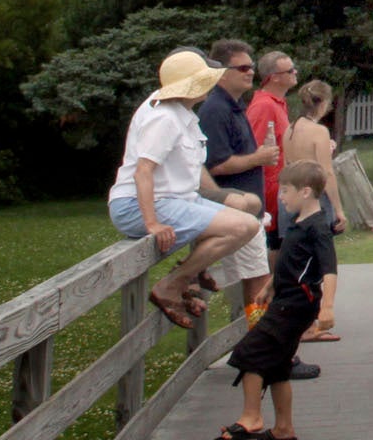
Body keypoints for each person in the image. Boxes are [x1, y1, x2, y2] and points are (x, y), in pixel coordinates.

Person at [107, 49, 264, 330]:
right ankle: (173, 284)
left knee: (247, 218)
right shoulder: (164, 118)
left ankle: (189, 276)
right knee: (242, 227)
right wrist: (152, 222)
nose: (208, 85)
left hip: (175, 200)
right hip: (141, 205)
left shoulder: (180, 112)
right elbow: (144, 171)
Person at [214, 160, 335, 440]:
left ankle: (251, 417)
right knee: (278, 365)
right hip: (284, 299)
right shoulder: (298, 223)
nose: (280, 197)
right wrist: (270, 286)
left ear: (305, 192)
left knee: (250, 351)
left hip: (297, 304)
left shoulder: (318, 228)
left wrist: (327, 307)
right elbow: (288, 263)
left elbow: (329, 269)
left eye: (285, 191)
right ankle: (283, 429)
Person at [197, 40, 277, 328]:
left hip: (249, 211)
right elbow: (216, 164)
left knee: (259, 279)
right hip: (236, 211)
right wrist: (259, 158)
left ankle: (262, 348)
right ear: (221, 72)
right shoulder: (215, 109)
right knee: (258, 283)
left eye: (251, 66)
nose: (250, 72)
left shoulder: (234, 106)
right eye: (242, 67)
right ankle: (264, 351)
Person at [284, 80, 346, 342]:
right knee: (319, 261)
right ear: (322, 103)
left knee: (299, 262)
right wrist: (340, 210)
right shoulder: (318, 131)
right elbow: (326, 172)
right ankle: (311, 324)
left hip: (291, 197)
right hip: (314, 200)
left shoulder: (290, 128)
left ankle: (300, 322)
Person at [245, 50, 297, 252]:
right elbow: (255, 151)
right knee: (275, 248)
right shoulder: (264, 106)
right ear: (274, 77)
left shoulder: (278, 104)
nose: (295, 73)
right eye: (290, 70)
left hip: (281, 188)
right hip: (271, 191)